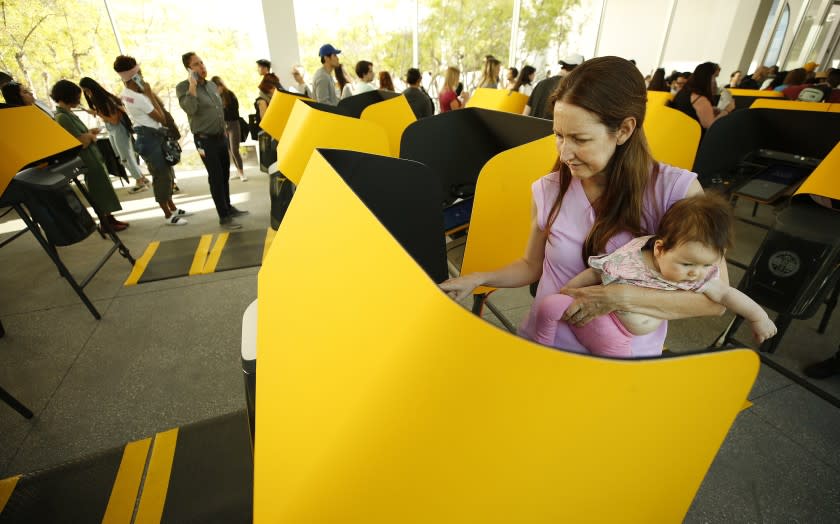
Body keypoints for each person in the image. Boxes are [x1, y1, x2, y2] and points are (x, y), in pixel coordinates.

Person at [440, 56, 729, 358]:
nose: (565, 153)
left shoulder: (675, 191)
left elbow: (715, 299)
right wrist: (478, 278)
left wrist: (616, 297)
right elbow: (531, 266)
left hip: (623, 360)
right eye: (559, 136)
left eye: (580, 139)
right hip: (545, 342)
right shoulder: (549, 188)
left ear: (625, 130)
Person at [533, 194, 776, 356]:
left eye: (705, 265)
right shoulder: (632, 259)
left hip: (624, 337)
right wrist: (570, 291)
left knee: (617, 359)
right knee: (553, 304)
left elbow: (728, 295)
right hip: (605, 317)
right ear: (660, 249)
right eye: (687, 263)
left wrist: (758, 317)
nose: (696, 273)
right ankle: (541, 342)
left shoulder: (701, 277)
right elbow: (596, 272)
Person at [114, 56, 190, 225]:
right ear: (134, 76)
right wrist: (150, 94)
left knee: (166, 172)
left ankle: (172, 207)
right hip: (151, 139)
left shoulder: (126, 94)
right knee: (161, 176)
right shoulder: (140, 98)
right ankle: (167, 215)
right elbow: (162, 118)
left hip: (146, 137)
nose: (142, 76)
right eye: (139, 73)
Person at [176, 51, 248, 230]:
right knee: (215, 177)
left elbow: (218, 109)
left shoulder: (211, 86)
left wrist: (223, 129)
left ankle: (228, 207)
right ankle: (223, 216)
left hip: (220, 136)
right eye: (196, 64)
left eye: (202, 62)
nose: (202, 66)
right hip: (204, 140)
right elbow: (190, 109)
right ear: (188, 69)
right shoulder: (183, 87)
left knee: (224, 175)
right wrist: (192, 85)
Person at [50, 79, 128, 231]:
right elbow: (81, 142)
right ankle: (106, 222)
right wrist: (90, 136)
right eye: (76, 96)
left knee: (103, 189)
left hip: (92, 156)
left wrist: (89, 133)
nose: (79, 100)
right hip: (86, 158)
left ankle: (109, 219)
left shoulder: (67, 114)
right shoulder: (63, 117)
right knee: (99, 191)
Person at [79, 77, 151, 193]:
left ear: (92, 88)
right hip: (112, 129)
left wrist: (97, 113)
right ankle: (142, 178)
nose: (87, 94)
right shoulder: (101, 100)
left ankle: (140, 181)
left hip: (118, 129)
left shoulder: (106, 99)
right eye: (85, 92)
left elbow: (114, 120)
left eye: (87, 91)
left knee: (125, 157)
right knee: (121, 157)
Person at [671, 62, 734, 130]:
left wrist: (710, 109)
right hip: (692, 137)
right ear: (706, 77)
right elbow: (710, 126)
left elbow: (690, 112)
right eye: (714, 77)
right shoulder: (698, 98)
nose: (715, 82)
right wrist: (726, 111)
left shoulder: (684, 92)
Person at [523, 53, 583, 118]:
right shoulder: (568, 88)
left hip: (531, 127)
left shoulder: (540, 83)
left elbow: (525, 113)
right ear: (577, 70)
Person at [211, 75, 246, 182]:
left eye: (216, 87)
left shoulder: (230, 95)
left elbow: (234, 113)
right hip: (223, 126)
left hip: (233, 124)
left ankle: (241, 173)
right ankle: (237, 170)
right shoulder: (216, 97)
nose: (216, 90)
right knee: (230, 150)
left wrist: (223, 113)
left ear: (221, 85)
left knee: (235, 150)